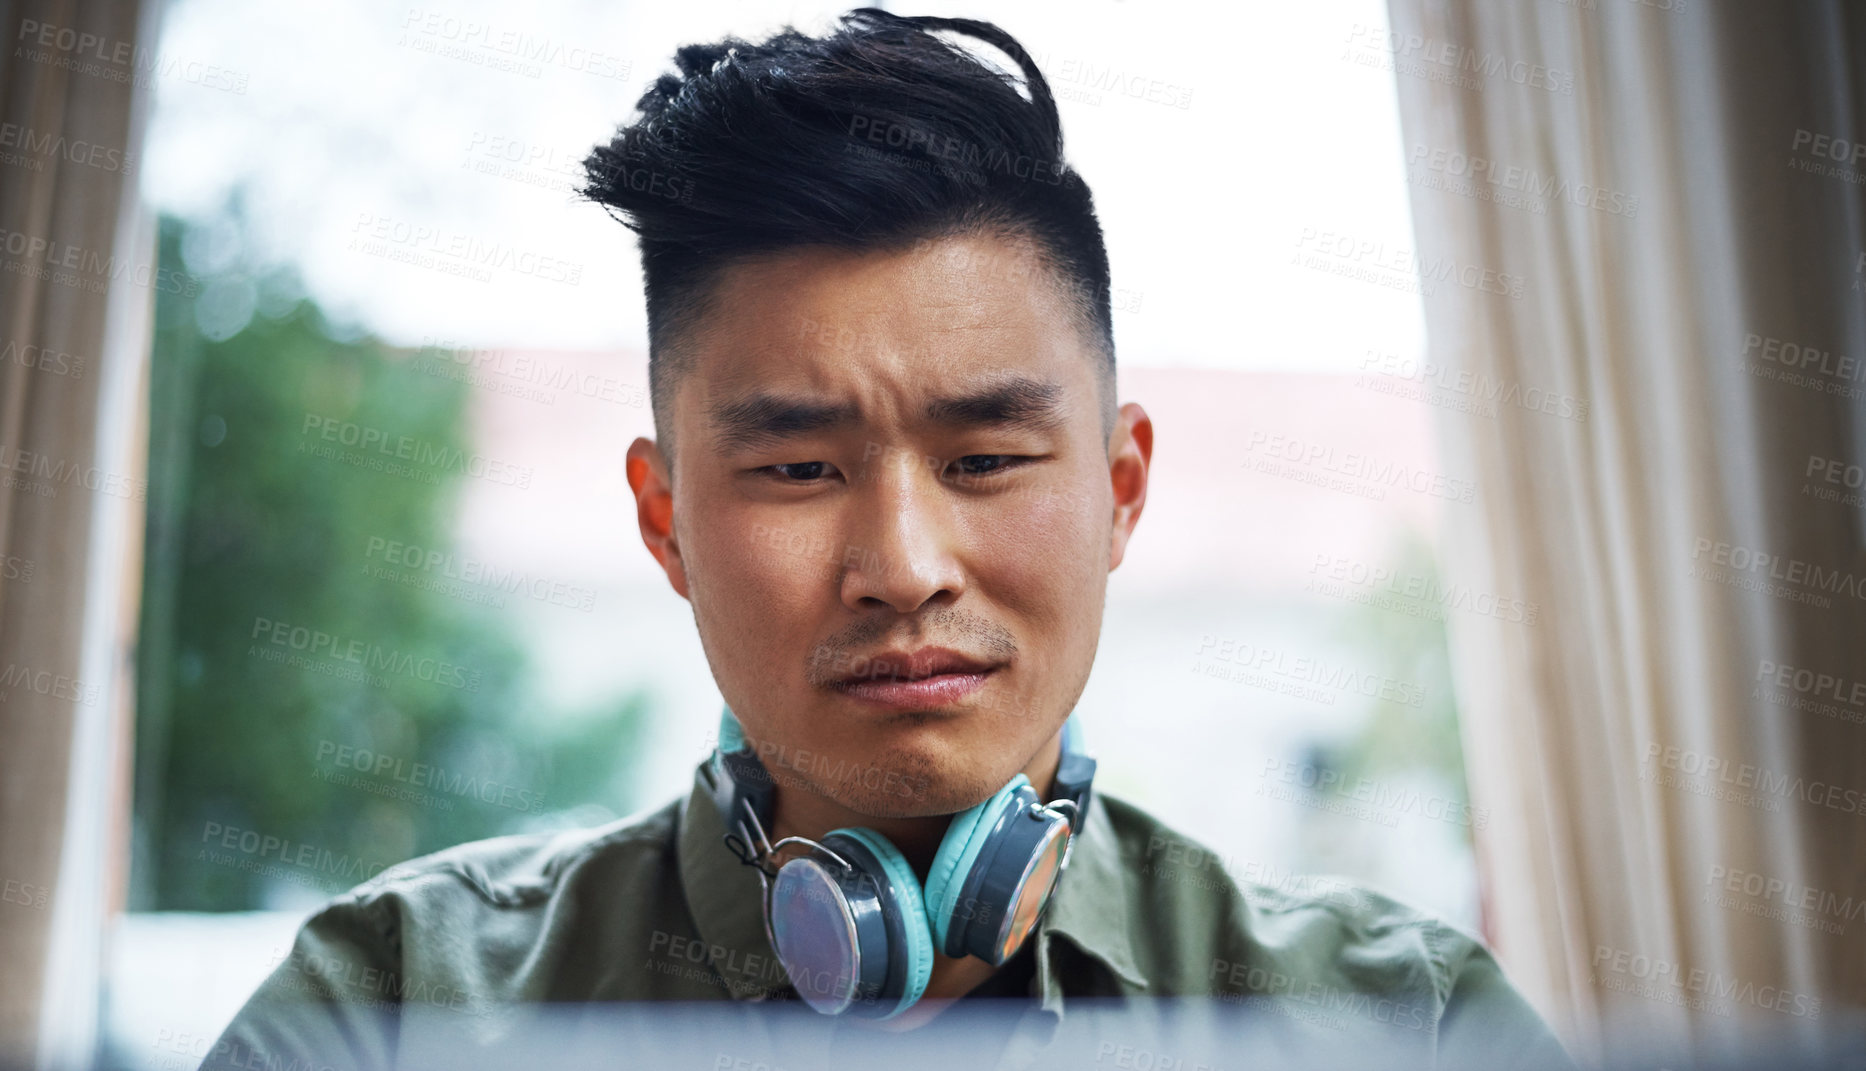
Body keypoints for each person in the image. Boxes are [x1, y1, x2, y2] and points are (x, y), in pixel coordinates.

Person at [200, 9, 1571, 1070]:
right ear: (666, 518)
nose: (904, 565)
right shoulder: (387, 1007)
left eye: (983, 459)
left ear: (1120, 490)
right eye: (797, 467)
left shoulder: (1407, 1023)